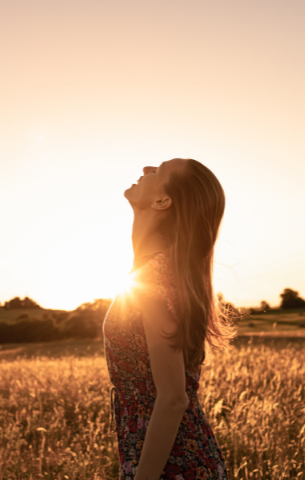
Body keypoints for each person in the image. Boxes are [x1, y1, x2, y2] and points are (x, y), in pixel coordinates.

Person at [103, 158, 236, 480]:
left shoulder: (154, 279)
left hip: (174, 466)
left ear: (163, 202)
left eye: (159, 171)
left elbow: (174, 398)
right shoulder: (155, 272)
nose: (147, 168)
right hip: (171, 457)